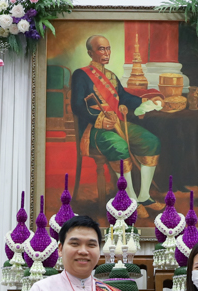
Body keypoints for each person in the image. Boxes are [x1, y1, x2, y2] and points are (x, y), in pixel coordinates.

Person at [69, 35, 161, 204]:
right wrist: (99, 120)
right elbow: (77, 106)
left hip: (117, 123)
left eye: (108, 48)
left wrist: (145, 101)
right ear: (90, 53)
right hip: (93, 128)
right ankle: (131, 200)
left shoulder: (111, 76)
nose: (106, 53)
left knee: (151, 141)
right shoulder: (80, 75)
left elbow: (124, 97)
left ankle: (144, 196)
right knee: (119, 147)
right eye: (101, 49)